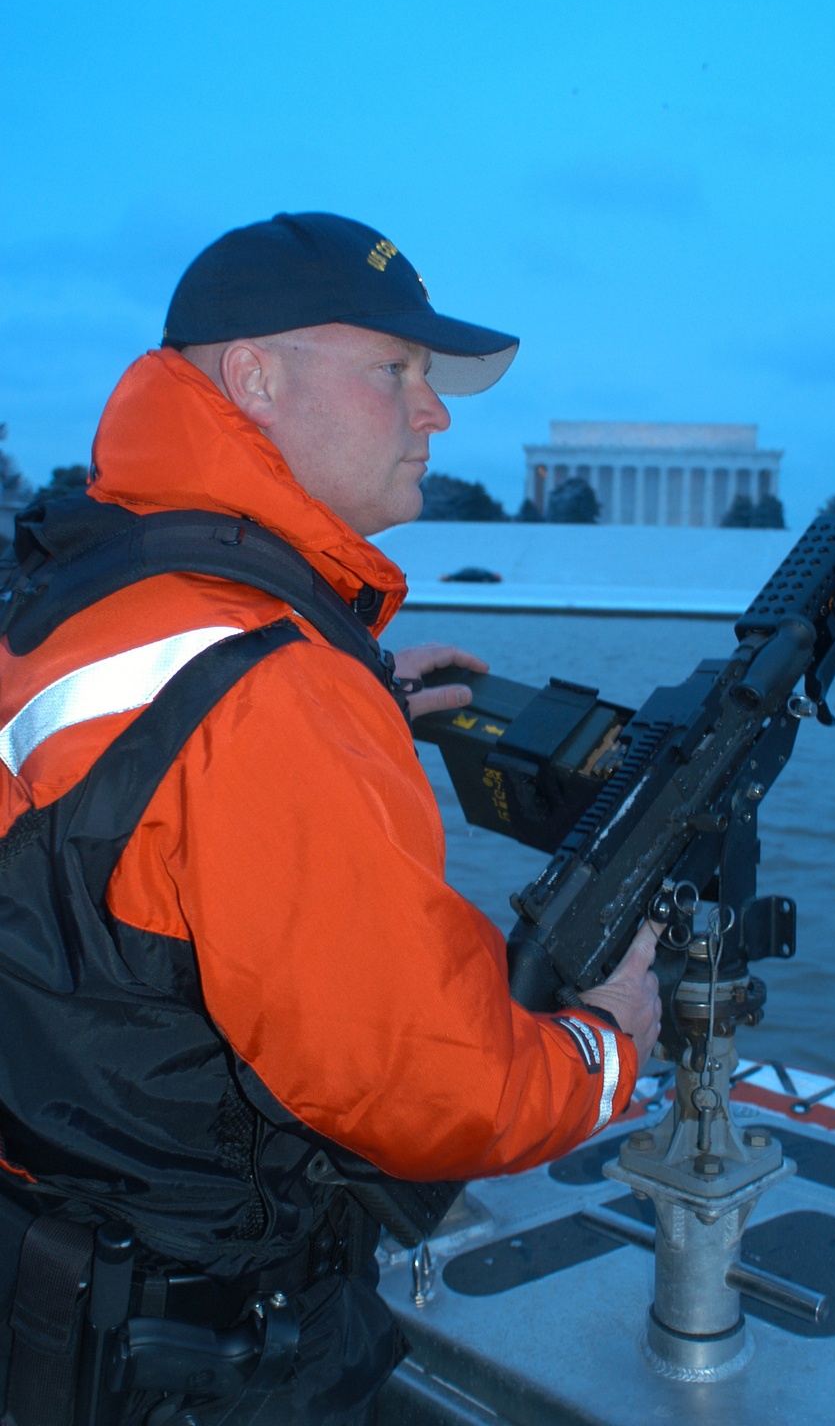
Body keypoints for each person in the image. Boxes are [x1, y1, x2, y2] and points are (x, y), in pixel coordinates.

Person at [0, 213, 661, 1424]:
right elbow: (426, 1083)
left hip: (54, 1255)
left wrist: (357, 685)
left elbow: (110, 786)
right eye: (396, 371)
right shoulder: (267, 688)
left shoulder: (97, 581)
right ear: (253, 378)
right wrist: (605, 1041)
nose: (436, 413)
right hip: (198, 1352)